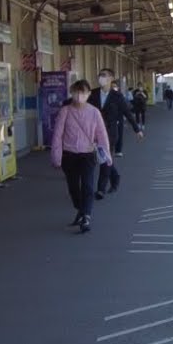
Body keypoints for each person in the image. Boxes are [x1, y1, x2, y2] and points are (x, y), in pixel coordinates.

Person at [51, 79, 111, 234]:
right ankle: (81, 209)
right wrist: (56, 156)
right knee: (73, 188)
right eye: (76, 92)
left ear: (89, 94)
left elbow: (101, 135)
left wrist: (107, 155)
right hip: (68, 155)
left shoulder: (94, 112)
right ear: (71, 93)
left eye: (83, 92)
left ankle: (86, 216)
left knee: (88, 186)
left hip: (88, 154)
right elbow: (57, 135)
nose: (79, 96)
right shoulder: (65, 111)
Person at [89, 68, 143, 197]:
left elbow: (127, 113)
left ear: (111, 78)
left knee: (104, 159)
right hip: (94, 133)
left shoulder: (117, 96)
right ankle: (115, 177)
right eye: (100, 75)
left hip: (110, 133)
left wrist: (137, 130)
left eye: (104, 75)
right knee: (103, 158)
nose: (101, 78)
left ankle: (100, 189)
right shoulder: (92, 94)